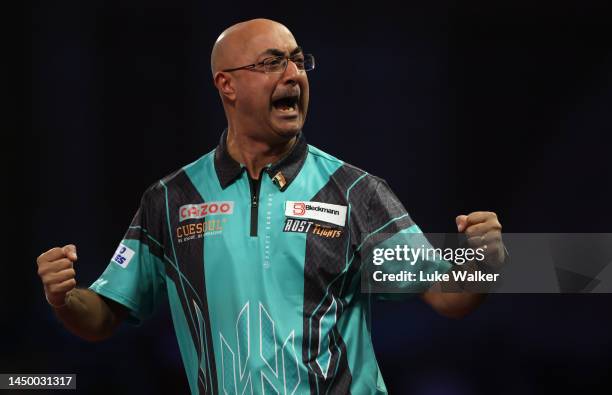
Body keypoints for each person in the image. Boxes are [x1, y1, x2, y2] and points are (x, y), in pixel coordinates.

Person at [36, 18, 505, 395]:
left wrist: (482, 262)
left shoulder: (354, 191)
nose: (293, 74)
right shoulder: (171, 199)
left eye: (299, 61)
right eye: (272, 62)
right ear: (227, 85)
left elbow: (449, 296)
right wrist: (64, 299)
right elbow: (101, 316)